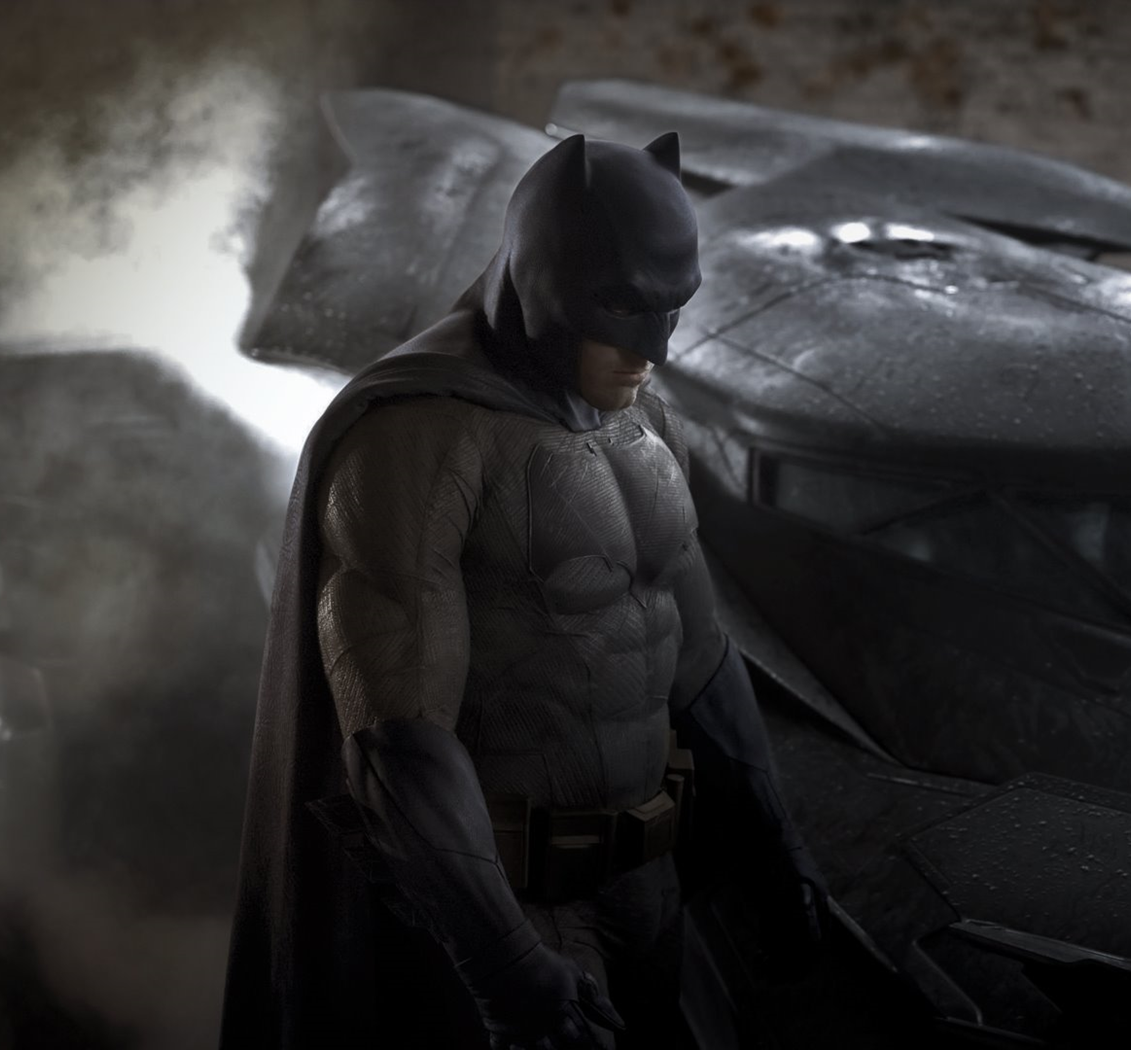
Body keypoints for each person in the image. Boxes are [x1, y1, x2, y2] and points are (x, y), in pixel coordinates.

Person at [221, 130, 824, 1050]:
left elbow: (699, 656)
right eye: (620, 307)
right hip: (514, 905)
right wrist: (502, 962)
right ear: (539, 280)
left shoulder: (645, 424)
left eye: (670, 309)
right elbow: (397, 740)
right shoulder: (418, 441)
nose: (651, 347)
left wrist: (774, 846)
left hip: (648, 883)